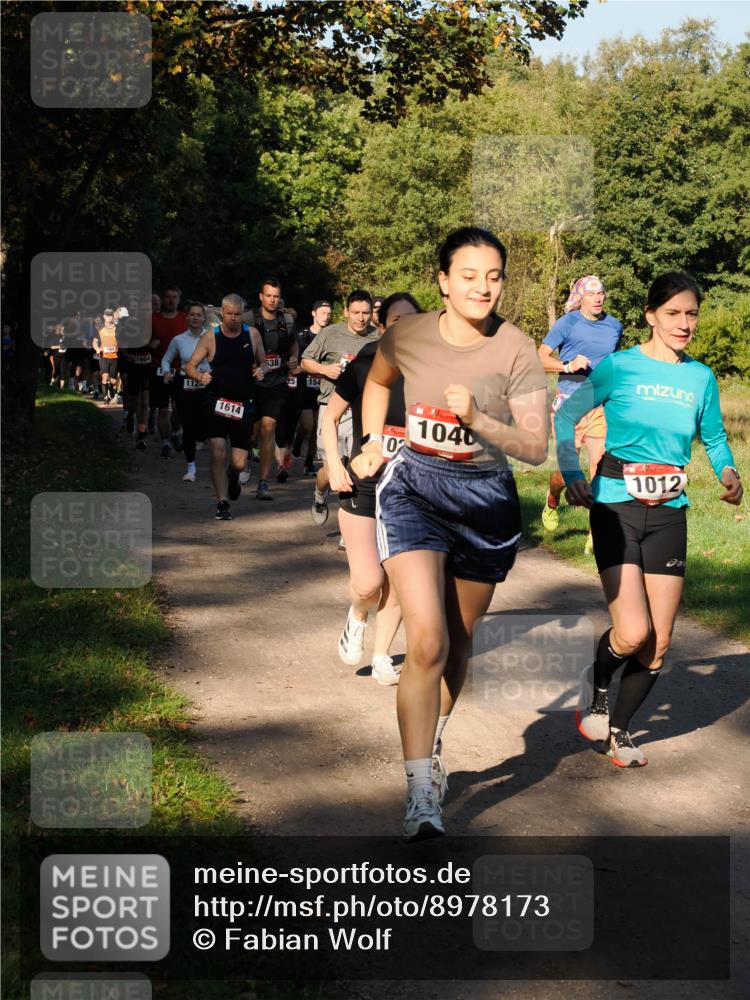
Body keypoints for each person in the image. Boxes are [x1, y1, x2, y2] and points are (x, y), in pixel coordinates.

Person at [352, 228, 549, 840]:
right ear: (442, 280)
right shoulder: (406, 334)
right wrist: (373, 440)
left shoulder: (516, 349)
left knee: (459, 646)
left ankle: (431, 747)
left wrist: (478, 419)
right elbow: (378, 381)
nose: (482, 287)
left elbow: (536, 447)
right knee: (428, 642)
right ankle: (420, 795)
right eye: (468, 275)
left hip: (485, 500)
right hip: (415, 489)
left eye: (493, 276)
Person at [557, 272, 742, 768]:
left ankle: (619, 731)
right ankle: (596, 687)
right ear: (651, 315)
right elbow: (564, 415)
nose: (684, 324)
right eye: (674, 314)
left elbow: (716, 437)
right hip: (616, 504)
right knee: (632, 632)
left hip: (669, 511)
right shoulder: (619, 366)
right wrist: (572, 471)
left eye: (692, 314)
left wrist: (729, 472)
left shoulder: (700, 377)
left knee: (659, 642)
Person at [323, 293, 422, 684]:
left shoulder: (431, 371)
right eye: (398, 320)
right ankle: (359, 613)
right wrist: (333, 463)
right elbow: (329, 419)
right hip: (364, 485)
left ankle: (382, 654)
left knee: (399, 581)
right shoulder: (366, 362)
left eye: (414, 321)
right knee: (368, 583)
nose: (405, 328)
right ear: (383, 325)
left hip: (411, 489)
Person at [539, 275, 622, 554]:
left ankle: (594, 533)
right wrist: (567, 364)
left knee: (601, 468)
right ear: (581, 297)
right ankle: (552, 498)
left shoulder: (614, 326)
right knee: (566, 473)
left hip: (599, 406)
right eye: (592, 293)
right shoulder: (567, 323)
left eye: (601, 293)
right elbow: (539, 357)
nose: (598, 298)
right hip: (568, 404)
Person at [301, 290, 381, 524]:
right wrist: (325, 370)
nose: (361, 318)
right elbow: (305, 362)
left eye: (366, 313)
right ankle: (319, 493)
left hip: (360, 412)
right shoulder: (330, 333)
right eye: (355, 312)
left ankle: (351, 522)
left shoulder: (377, 337)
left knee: (355, 467)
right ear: (345, 312)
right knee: (331, 469)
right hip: (331, 409)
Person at [185, 294, 267, 520]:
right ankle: (222, 502)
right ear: (222, 312)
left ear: (243, 313)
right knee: (218, 452)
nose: (233, 318)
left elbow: (264, 362)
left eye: (237, 314)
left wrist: (262, 370)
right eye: (229, 314)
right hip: (216, 402)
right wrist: (200, 376)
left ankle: (234, 475)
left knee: (239, 462)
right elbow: (190, 366)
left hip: (243, 404)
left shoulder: (252, 334)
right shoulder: (211, 336)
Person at [243, 278, 298, 499]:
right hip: (252, 384)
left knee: (268, 428)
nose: (273, 300)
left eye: (276, 296)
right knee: (251, 434)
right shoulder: (248, 319)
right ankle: (242, 462)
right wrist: (250, 366)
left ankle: (263, 483)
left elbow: (293, 342)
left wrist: (294, 357)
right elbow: (237, 345)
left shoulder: (288, 320)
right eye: (269, 295)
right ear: (261, 297)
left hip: (277, 382)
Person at [162, 303, 210, 482]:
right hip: (185, 384)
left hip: (206, 383)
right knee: (188, 427)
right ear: (187, 317)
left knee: (203, 425)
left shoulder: (212, 338)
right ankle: (191, 468)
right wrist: (166, 372)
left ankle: (201, 436)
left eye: (199, 315)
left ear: (204, 318)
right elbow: (166, 360)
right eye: (192, 314)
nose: (196, 317)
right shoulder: (178, 340)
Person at [283, 299, 332, 478]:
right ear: (314, 314)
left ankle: (309, 462)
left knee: (318, 430)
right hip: (304, 389)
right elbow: (296, 359)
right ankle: (297, 441)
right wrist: (299, 366)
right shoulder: (302, 335)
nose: (326, 317)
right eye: (322, 313)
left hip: (323, 388)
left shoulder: (332, 336)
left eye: (328, 314)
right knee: (307, 425)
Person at [151, 285, 188, 457]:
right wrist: (149, 345)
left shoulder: (185, 319)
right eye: (168, 297)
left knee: (179, 408)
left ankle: (176, 432)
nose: (171, 300)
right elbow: (139, 342)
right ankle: (165, 442)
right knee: (163, 409)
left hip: (180, 370)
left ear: (178, 300)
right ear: (163, 299)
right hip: (158, 370)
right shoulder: (153, 319)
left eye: (174, 297)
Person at [92, 309, 119, 403]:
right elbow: (94, 342)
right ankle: (105, 397)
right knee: (105, 376)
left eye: (110, 316)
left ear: (113, 317)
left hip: (115, 356)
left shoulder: (117, 328)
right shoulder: (100, 329)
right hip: (104, 356)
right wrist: (97, 349)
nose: (109, 318)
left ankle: (111, 388)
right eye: (107, 316)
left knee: (113, 381)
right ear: (104, 317)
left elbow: (121, 340)